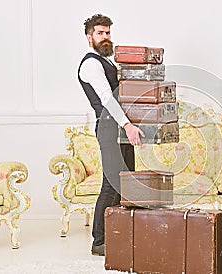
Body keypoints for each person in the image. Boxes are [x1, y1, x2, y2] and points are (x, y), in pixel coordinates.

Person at [78, 14, 144, 256]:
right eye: (100, 33)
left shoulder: (108, 62)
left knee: (125, 183)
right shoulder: (91, 64)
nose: (105, 37)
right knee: (111, 185)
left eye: (107, 33)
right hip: (109, 128)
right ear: (89, 38)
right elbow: (107, 98)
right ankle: (99, 241)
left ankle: (117, 237)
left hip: (120, 127)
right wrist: (127, 125)